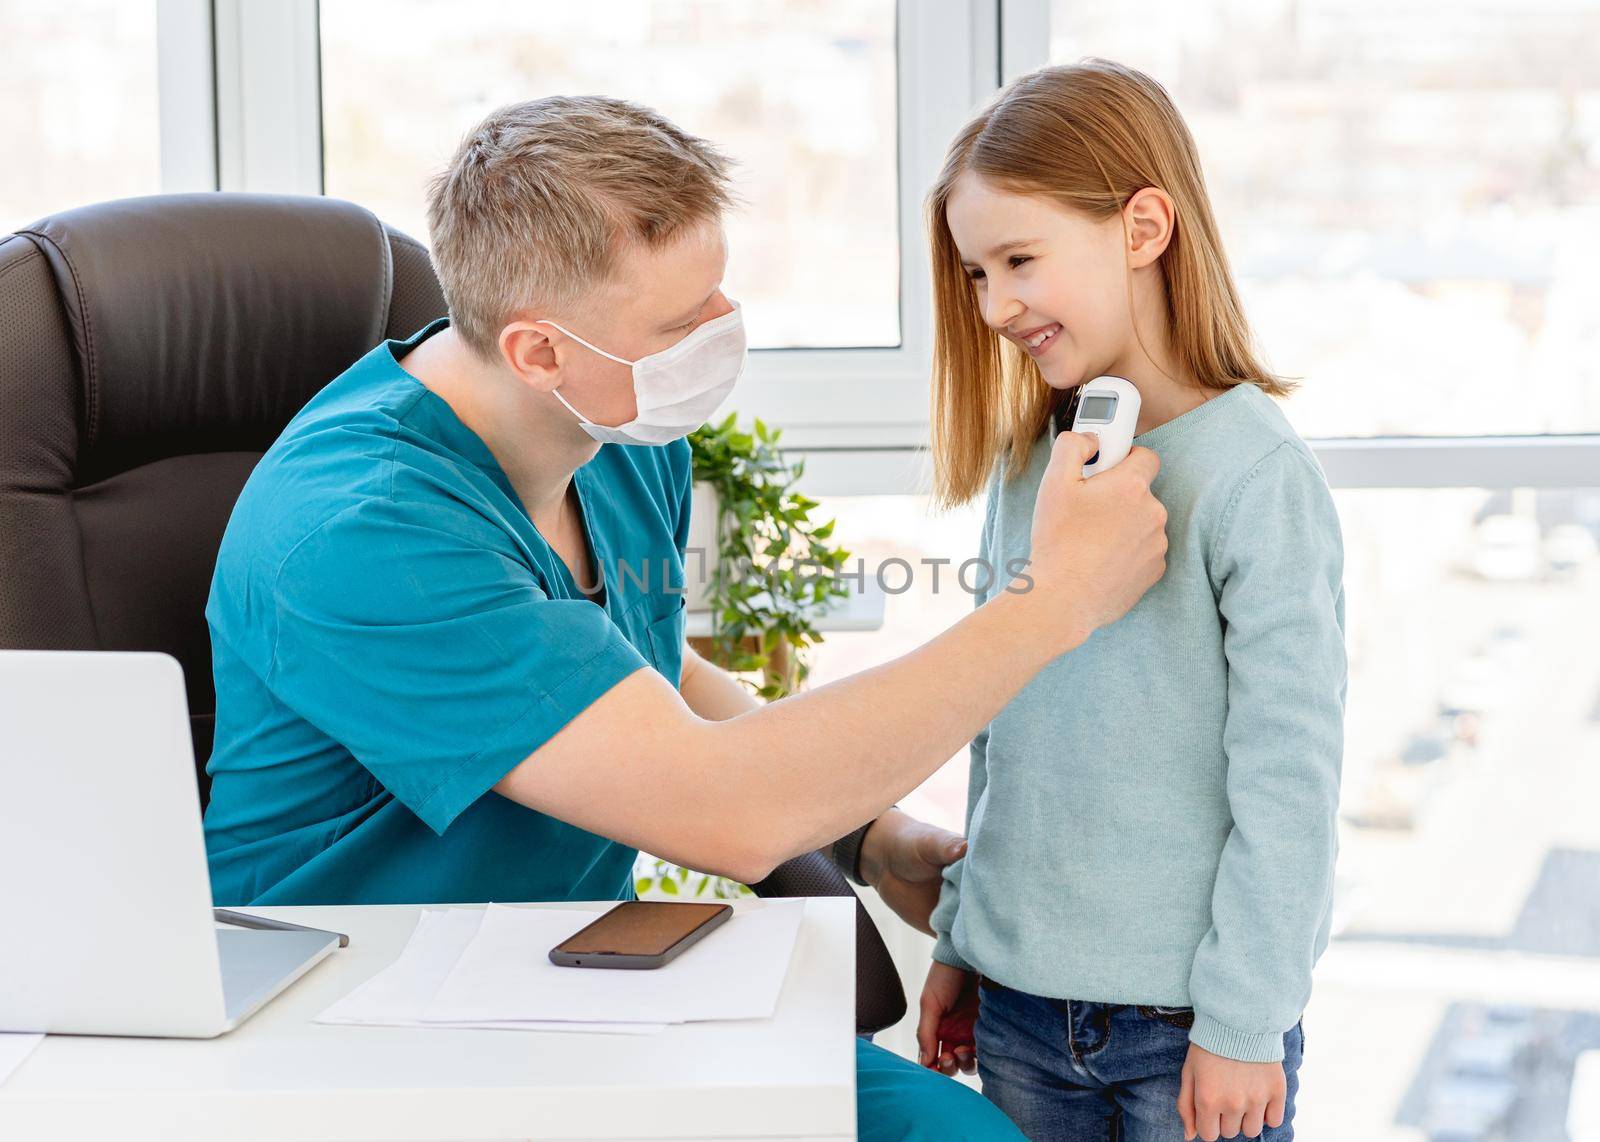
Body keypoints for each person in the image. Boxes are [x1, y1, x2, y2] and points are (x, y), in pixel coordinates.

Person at [201, 94, 1169, 1140]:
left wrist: (864, 835)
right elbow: (724, 809)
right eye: (676, 323)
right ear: (537, 352)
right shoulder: (364, 528)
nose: (716, 336)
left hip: (569, 985)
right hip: (359, 1038)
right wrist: (1053, 599)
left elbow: (639, 673)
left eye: (715, 295)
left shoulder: (616, 426)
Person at [914, 61, 1347, 1142]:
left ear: (1144, 225)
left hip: (1190, 1027)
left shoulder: (1255, 477)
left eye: (1019, 258)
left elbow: (1288, 781)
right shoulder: (1036, 463)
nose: (994, 304)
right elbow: (999, 726)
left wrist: (1247, 1020)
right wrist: (963, 938)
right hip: (1017, 1006)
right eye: (975, 272)